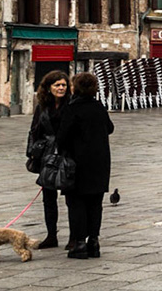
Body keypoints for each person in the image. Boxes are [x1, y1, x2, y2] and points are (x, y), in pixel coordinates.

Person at [55, 72, 114, 259]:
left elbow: (62, 137)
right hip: (100, 162)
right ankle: (94, 242)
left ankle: (80, 243)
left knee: (77, 204)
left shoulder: (72, 109)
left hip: (77, 164)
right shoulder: (98, 107)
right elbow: (110, 128)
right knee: (96, 204)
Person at [28, 71, 68, 248]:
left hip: (67, 153)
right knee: (48, 197)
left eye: (63, 85)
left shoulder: (71, 105)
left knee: (71, 196)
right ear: (49, 88)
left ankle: (76, 237)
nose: (61, 88)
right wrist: (32, 153)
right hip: (48, 155)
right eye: (57, 85)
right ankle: (52, 235)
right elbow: (35, 130)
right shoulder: (42, 107)